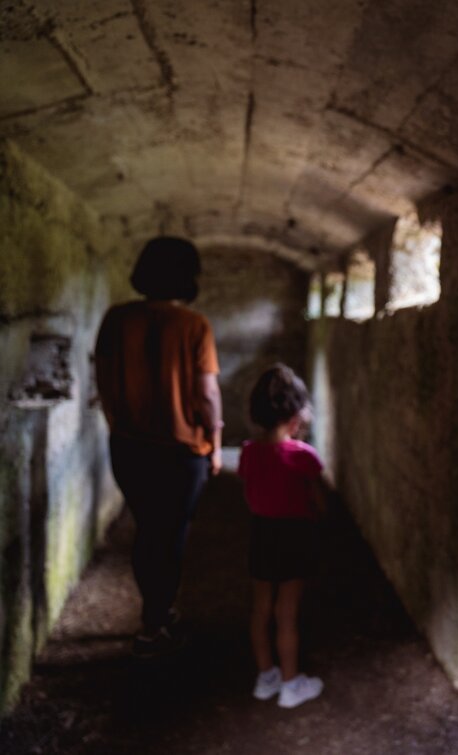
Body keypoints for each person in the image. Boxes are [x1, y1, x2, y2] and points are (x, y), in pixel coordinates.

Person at [95, 236, 222, 658]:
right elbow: (206, 395)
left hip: (129, 447)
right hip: (182, 453)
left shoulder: (116, 319)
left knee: (147, 529)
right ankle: (155, 621)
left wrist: (117, 422)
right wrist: (216, 442)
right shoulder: (193, 325)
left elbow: (103, 379)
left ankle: (154, 616)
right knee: (172, 534)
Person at [239, 364, 327, 709]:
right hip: (294, 535)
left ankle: (266, 677)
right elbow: (319, 502)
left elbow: (250, 495)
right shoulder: (304, 457)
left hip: (262, 532)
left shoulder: (248, 452)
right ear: (296, 417)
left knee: (261, 608)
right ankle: (291, 685)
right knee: (286, 612)